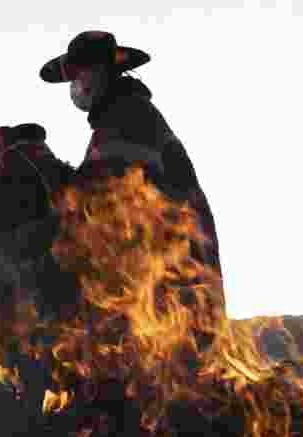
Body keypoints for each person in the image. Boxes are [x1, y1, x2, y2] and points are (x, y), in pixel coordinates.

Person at [39, 31, 224, 293]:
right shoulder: (122, 114)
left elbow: (101, 189)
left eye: (81, 74)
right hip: (171, 275)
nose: (76, 84)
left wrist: (52, 178)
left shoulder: (127, 115)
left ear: (102, 72)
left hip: (175, 278)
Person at [0, 123, 80, 420]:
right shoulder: (54, 171)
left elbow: (10, 269)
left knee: (39, 412)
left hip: (39, 326)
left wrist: (4, 341)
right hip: (83, 319)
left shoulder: (10, 169)